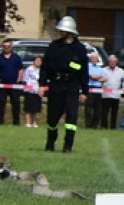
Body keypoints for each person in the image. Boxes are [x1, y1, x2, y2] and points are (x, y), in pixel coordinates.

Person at [40, 16, 90, 152]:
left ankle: (68, 145)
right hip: (56, 84)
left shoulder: (79, 49)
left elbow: (83, 70)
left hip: (72, 86)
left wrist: (85, 91)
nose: (60, 32)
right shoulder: (54, 46)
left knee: (72, 116)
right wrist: (42, 84)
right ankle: (50, 142)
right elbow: (45, 67)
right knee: (53, 117)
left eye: (63, 30)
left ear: (70, 32)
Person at [0, 38, 24, 126]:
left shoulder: (16, 57)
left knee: (16, 103)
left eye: (8, 46)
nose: (6, 47)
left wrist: (19, 78)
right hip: (2, 84)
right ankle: (0, 121)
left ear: (11, 47)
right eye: (5, 46)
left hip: (14, 84)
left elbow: (21, 69)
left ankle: (16, 122)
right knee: (1, 103)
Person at [100, 54, 124, 130]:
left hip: (116, 95)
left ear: (116, 62)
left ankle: (113, 127)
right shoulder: (103, 70)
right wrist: (101, 86)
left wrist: (122, 88)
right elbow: (99, 80)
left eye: (114, 61)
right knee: (105, 112)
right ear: (108, 62)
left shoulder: (121, 71)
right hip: (105, 95)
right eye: (111, 61)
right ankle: (104, 126)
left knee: (114, 112)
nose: (112, 63)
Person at [85, 51, 107, 129]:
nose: (95, 59)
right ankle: (88, 125)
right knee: (89, 108)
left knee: (98, 109)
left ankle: (95, 125)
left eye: (96, 58)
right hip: (90, 88)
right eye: (93, 58)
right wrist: (100, 77)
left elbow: (105, 78)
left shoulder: (100, 68)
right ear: (91, 59)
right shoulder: (88, 66)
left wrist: (98, 78)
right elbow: (92, 76)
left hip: (98, 89)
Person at [22, 55, 43, 128]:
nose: (38, 62)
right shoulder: (29, 69)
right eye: (37, 60)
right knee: (28, 107)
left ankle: (34, 123)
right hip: (29, 91)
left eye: (40, 61)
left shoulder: (42, 70)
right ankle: (28, 122)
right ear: (34, 61)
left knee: (36, 108)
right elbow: (25, 79)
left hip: (38, 91)